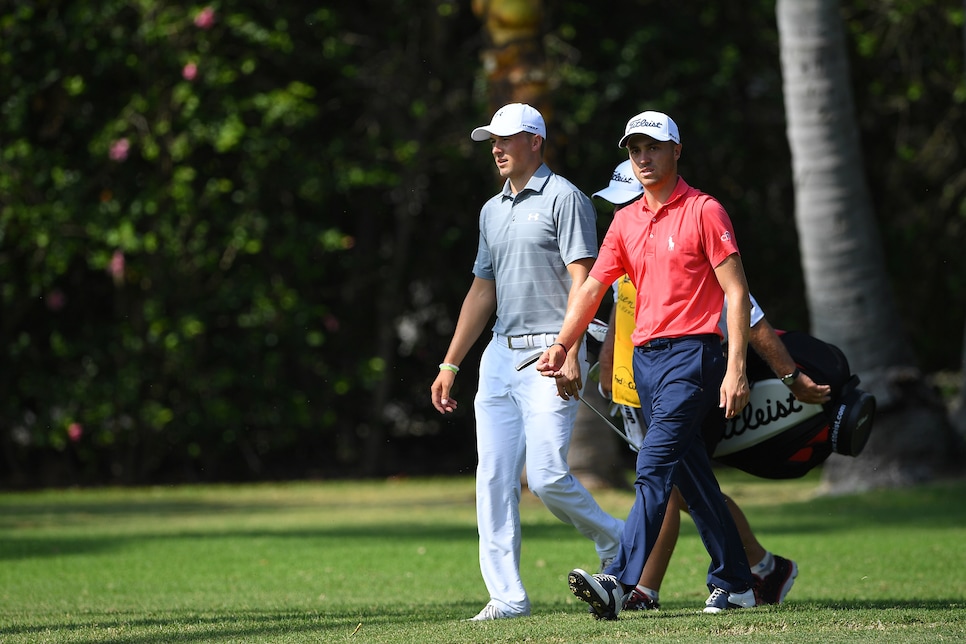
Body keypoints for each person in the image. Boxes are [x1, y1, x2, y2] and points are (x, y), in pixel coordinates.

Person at [537, 110, 758, 617]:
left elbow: (737, 292)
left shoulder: (705, 210)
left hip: (695, 356)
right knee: (690, 475)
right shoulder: (625, 219)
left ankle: (620, 579)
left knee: (652, 465)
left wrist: (736, 368)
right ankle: (737, 581)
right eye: (634, 150)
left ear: (676, 151)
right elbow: (593, 287)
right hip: (645, 361)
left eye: (653, 148)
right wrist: (563, 343)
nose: (643, 158)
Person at [590, 159, 831, 611]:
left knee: (660, 475)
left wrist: (790, 378)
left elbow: (751, 318)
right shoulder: (630, 242)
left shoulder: (694, 229)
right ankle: (749, 573)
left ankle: (631, 584)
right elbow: (621, 320)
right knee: (688, 483)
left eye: (629, 204)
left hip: (696, 376)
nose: (628, 215)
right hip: (647, 385)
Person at [430, 103, 624, 621]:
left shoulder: (566, 198)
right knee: (492, 478)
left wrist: (570, 348)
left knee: (545, 476)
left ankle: (621, 542)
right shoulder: (491, 210)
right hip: (499, 354)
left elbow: (585, 280)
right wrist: (450, 364)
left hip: (550, 350)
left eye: (507, 139)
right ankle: (507, 597)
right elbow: (481, 289)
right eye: (492, 140)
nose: (496, 147)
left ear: (535, 142)